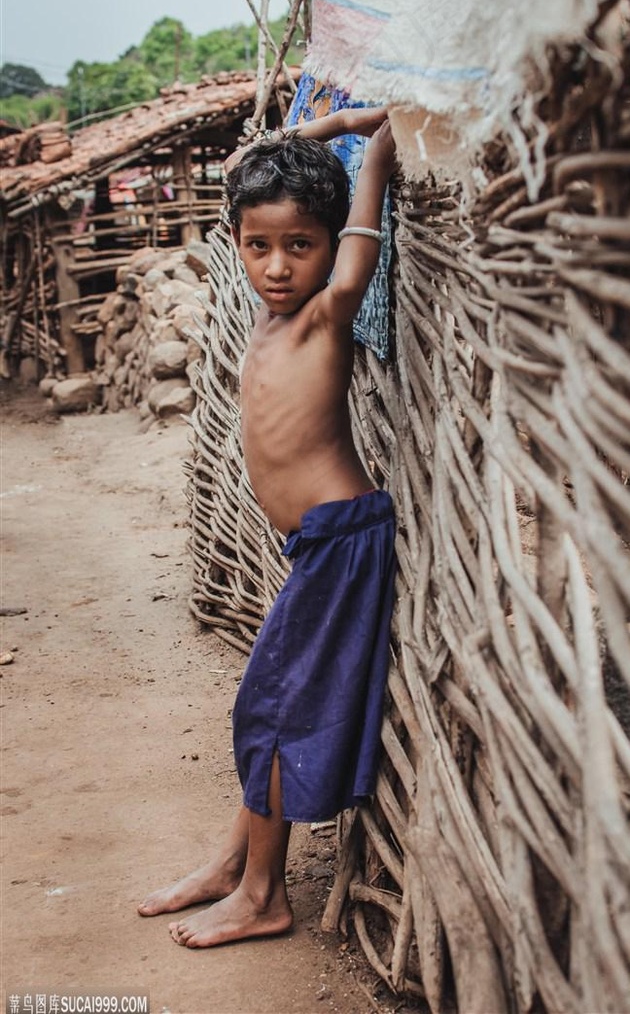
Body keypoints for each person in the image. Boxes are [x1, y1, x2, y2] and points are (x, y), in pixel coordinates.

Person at [138, 107, 398, 948]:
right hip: (315, 546)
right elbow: (252, 164)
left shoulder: (326, 314)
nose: (278, 266)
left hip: (341, 540)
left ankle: (262, 896)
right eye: (259, 247)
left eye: (301, 246)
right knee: (272, 705)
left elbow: (362, 228)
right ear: (238, 242)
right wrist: (327, 125)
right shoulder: (265, 315)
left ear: (329, 248)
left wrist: (378, 137)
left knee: (273, 710)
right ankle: (231, 864)